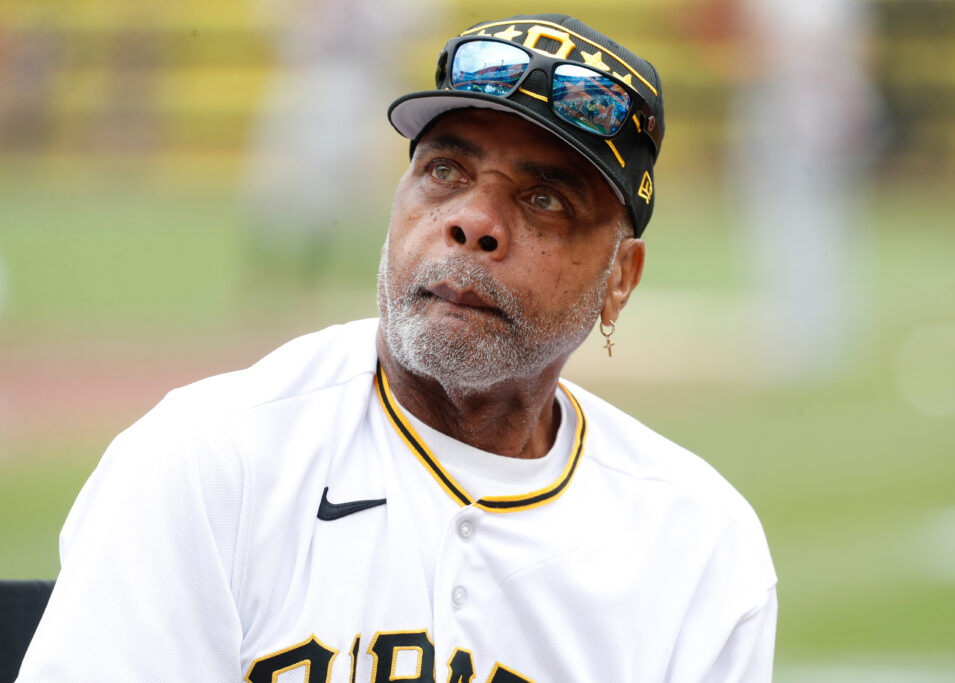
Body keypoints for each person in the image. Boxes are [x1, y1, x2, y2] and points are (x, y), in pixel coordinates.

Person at [16, 14, 777, 682]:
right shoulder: (208, 464)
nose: (473, 222)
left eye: (544, 199)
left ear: (620, 280)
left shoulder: (700, 548)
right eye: (445, 171)